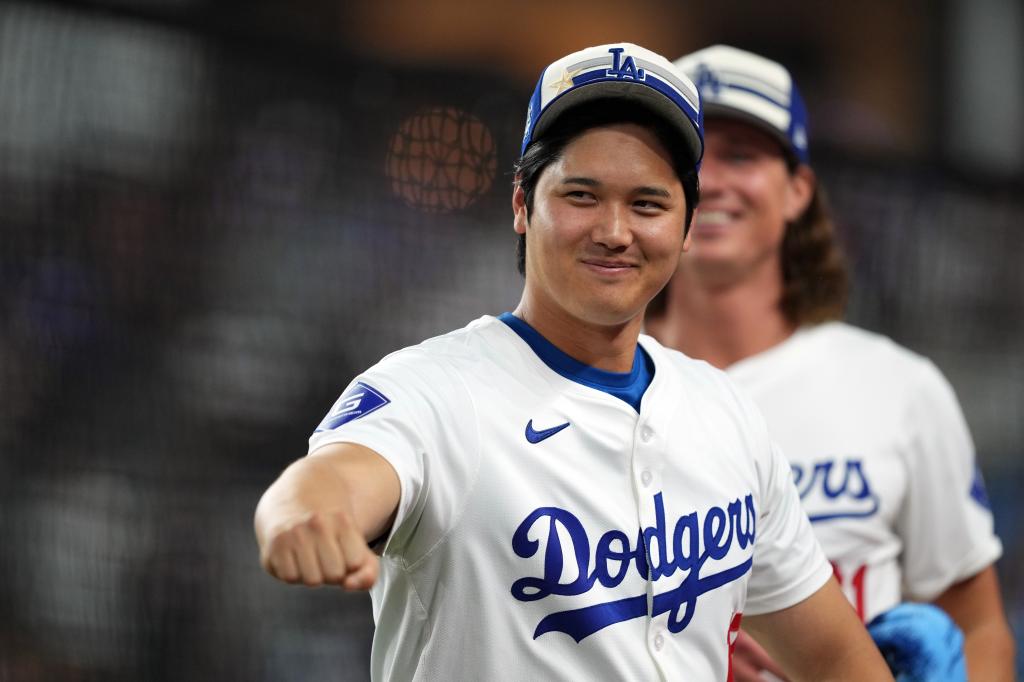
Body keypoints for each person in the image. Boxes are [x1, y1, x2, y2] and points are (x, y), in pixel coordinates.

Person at [254, 43, 892, 681]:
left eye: (648, 204)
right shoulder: (436, 391)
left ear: (688, 226)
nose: (615, 231)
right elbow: (332, 479)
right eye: (581, 196)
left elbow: (836, 659)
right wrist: (302, 515)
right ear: (521, 205)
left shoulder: (723, 411)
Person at [646, 44, 1016, 681]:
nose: (713, 180)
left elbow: (978, 625)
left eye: (743, 154)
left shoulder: (897, 389)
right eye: (690, 157)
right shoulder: (585, 389)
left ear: (797, 191)